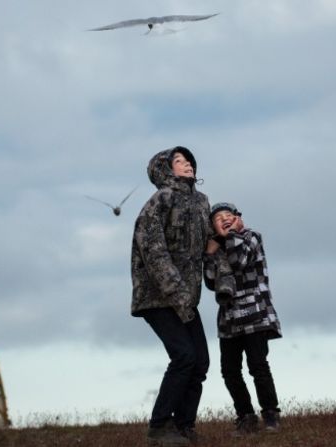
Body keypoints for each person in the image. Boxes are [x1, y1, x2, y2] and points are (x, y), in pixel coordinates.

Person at [131, 146, 213, 446]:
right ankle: (159, 427)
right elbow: (153, 250)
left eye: (188, 159)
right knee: (183, 356)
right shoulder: (159, 200)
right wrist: (176, 291)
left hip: (186, 299)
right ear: (165, 169)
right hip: (157, 297)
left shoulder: (202, 203)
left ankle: (183, 427)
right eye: (179, 161)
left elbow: (207, 246)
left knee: (200, 362)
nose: (187, 163)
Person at [203, 202, 283, 435]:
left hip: (255, 315)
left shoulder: (251, 237)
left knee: (258, 366)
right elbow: (210, 281)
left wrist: (229, 236)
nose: (225, 219)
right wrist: (209, 253)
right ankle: (246, 417)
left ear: (239, 219)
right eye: (219, 218)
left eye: (229, 215)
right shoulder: (216, 249)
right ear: (213, 227)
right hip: (229, 321)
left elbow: (239, 260)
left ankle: (270, 415)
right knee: (229, 371)